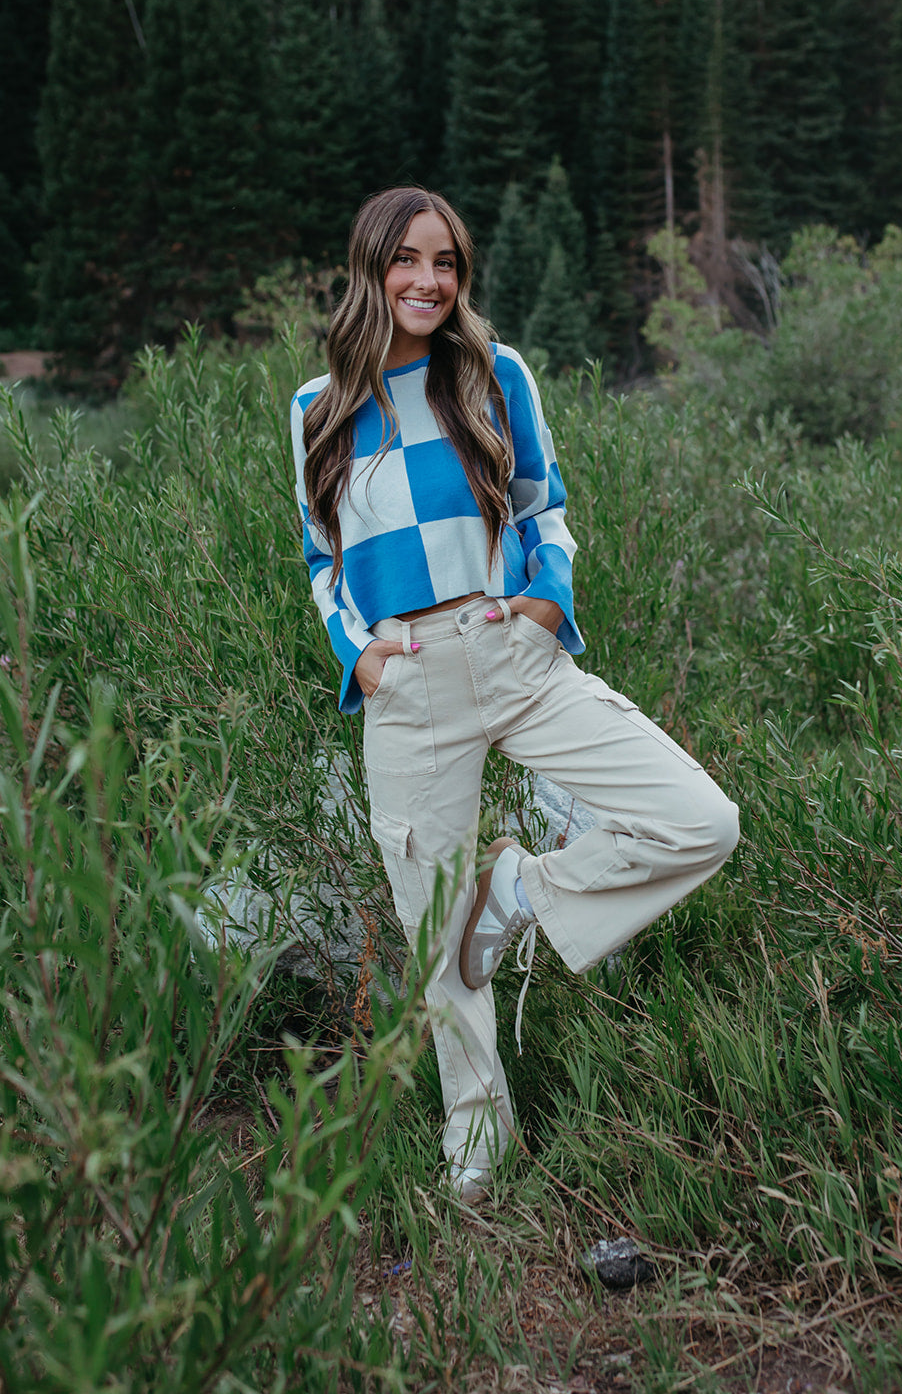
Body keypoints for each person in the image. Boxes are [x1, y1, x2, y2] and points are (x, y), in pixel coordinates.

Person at [290, 187, 740, 1205]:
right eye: (406, 260)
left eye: (444, 261)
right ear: (370, 268)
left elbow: (546, 505)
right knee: (437, 947)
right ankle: (476, 1158)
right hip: (407, 684)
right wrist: (357, 657)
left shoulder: (496, 376)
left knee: (700, 821)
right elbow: (322, 564)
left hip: (513, 656)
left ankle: (523, 892)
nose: (427, 280)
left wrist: (547, 599)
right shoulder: (315, 409)